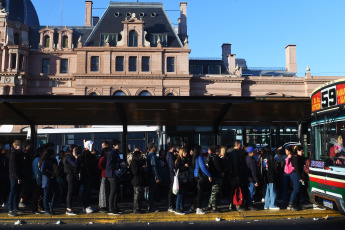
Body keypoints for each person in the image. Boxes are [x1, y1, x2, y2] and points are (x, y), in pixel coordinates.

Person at [226, 140, 245, 211]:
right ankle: (237, 204)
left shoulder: (230, 152)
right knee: (237, 190)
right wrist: (238, 175)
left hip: (231, 174)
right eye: (240, 145)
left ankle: (231, 204)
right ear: (237, 145)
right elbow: (236, 165)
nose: (241, 147)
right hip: (236, 174)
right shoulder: (236, 153)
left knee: (232, 190)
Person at [193, 145, 212, 214]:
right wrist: (209, 175)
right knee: (200, 193)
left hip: (196, 176)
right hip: (200, 177)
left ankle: (194, 206)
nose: (203, 150)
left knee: (198, 192)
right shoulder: (200, 157)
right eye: (202, 149)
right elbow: (203, 167)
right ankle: (198, 209)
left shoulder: (195, 157)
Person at [105, 139, 122, 215]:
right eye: (118, 144)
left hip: (115, 174)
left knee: (117, 191)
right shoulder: (111, 153)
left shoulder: (116, 153)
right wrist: (119, 165)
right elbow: (109, 165)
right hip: (112, 175)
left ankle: (115, 207)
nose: (119, 146)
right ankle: (111, 208)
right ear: (113, 145)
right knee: (113, 191)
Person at [40, 149, 58, 215]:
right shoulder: (46, 161)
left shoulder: (52, 161)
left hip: (51, 180)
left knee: (56, 192)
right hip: (47, 180)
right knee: (47, 195)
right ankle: (47, 210)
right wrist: (50, 175)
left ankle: (50, 208)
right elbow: (42, 170)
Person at [81, 140, 98, 213]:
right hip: (88, 176)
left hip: (89, 175)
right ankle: (85, 206)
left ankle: (87, 206)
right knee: (86, 191)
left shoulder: (88, 153)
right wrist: (89, 174)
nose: (93, 147)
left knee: (88, 191)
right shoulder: (86, 153)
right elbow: (87, 166)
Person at [206, 146, 224, 213]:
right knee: (215, 192)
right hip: (216, 176)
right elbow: (218, 167)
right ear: (216, 150)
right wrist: (222, 171)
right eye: (219, 150)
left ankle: (209, 205)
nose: (220, 151)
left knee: (213, 191)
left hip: (213, 176)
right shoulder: (216, 157)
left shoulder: (210, 157)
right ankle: (214, 207)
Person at [8, 140, 23, 217]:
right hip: (14, 176)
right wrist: (18, 178)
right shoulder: (13, 154)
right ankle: (10, 209)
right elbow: (13, 168)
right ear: (16, 146)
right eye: (20, 145)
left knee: (16, 193)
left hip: (17, 176)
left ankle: (15, 207)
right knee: (13, 192)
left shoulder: (18, 154)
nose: (21, 146)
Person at [63, 145, 79, 215]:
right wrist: (76, 157)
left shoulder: (66, 157)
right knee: (70, 192)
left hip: (69, 175)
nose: (76, 151)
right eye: (75, 150)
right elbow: (75, 164)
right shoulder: (69, 157)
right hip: (70, 175)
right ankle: (69, 209)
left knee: (70, 192)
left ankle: (69, 208)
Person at [174, 148, 189, 215]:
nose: (186, 153)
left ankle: (181, 207)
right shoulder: (179, 160)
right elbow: (177, 169)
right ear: (181, 153)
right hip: (180, 179)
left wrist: (186, 166)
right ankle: (177, 208)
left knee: (183, 193)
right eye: (185, 152)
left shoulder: (184, 159)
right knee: (180, 194)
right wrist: (184, 167)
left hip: (184, 178)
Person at [146, 143, 161, 212]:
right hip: (152, 176)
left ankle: (151, 205)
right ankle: (151, 206)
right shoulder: (152, 156)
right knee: (152, 192)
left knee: (152, 191)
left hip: (150, 176)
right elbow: (154, 168)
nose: (155, 147)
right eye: (154, 146)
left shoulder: (150, 155)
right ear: (152, 148)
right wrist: (157, 177)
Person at [244, 146, 260, 210]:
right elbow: (254, 171)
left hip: (248, 178)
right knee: (251, 192)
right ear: (252, 152)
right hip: (251, 179)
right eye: (254, 150)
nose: (256, 151)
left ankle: (247, 204)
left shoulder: (246, 159)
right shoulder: (252, 160)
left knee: (249, 192)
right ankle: (249, 205)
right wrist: (256, 181)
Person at [31, 147, 44, 214]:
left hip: (35, 179)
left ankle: (35, 208)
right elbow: (37, 171)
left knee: (36, 195)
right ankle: (34, 209)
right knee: (36, 195)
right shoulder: (38, 160)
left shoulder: (36, 159)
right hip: (36, 179)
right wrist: (39, 180)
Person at [166, 145, 177, 212]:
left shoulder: (170, 154)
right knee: (171, 190)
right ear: (171, 148)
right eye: (173, 147)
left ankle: (172, 205)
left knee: (172, 190)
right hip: (172, 175)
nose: (174, 148)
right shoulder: (170, 155)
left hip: (171, 174)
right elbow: (171, 165)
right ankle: (170, 205)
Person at [98, 147, 109, 213]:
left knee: (104, 190)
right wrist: (104, 170)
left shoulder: (104, 158)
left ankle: (103, 205)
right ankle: (102, 205)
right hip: (104, 175)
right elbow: (100, 166)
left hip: (104, 175)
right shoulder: (103, 158)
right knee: (103, 190)